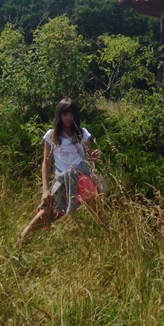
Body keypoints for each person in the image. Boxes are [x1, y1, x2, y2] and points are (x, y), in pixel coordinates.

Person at [19, 97, 102, 246]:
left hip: (81, 177)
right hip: (61, 179)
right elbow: (46, 162)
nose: (69, 117)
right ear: (59, 115)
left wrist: (95, 156)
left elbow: (90, 160)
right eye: (65, 114)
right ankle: (19, 244)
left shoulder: (82, 134)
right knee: (46, 212)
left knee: (93, 209)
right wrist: (45, 189)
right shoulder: (52, 135)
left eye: (72, 114)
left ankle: (93, 240)